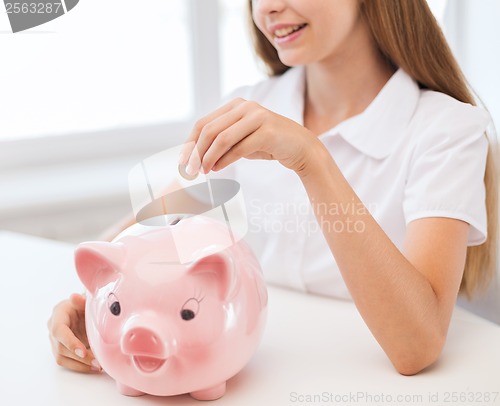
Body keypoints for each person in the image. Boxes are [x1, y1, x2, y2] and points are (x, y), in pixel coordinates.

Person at [48, 0, 498, 376]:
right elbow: (140, 232)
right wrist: (84, 302)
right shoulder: (249, 111)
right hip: (262, 373)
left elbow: (416, 346)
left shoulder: (447, 129)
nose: (267, 8)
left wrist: (312, 160)